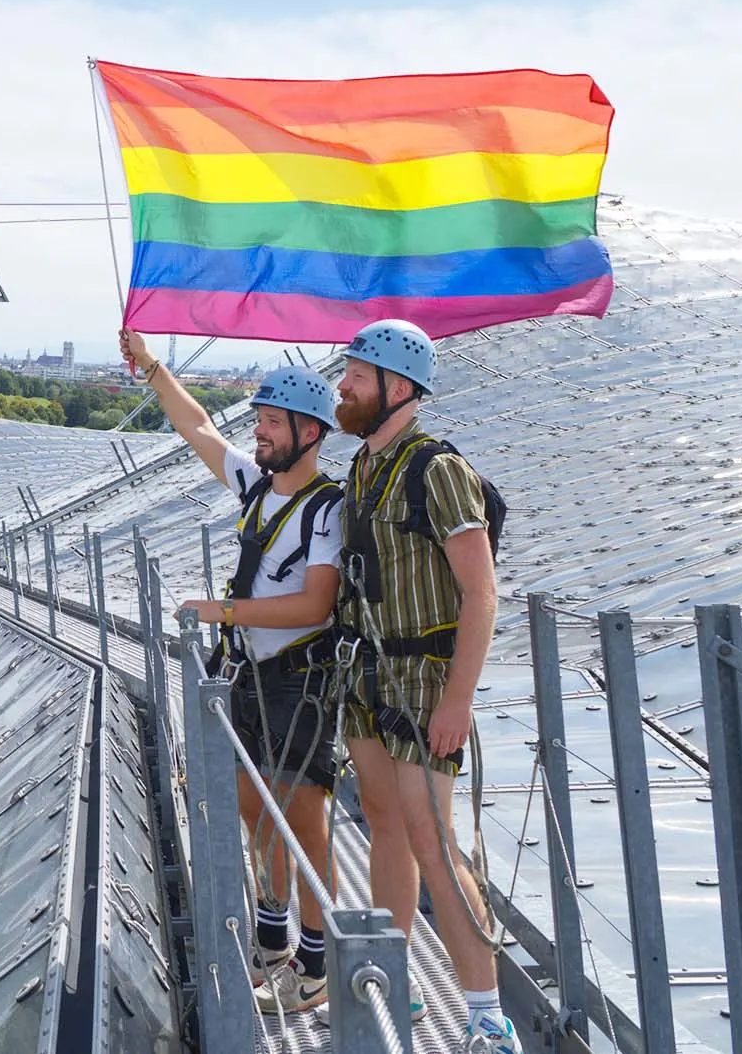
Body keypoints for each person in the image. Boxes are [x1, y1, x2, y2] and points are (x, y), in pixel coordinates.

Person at [118, 330, 342, 1015]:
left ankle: (318, 961)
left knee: (302, 817)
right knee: (253, 807)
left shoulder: (328, 509)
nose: (261, 432)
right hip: (250, 673)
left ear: (309, 432)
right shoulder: (259, 486)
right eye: (261, 421)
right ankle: (273, 939)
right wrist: (151, 366)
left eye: (273, 422)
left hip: (297, 680)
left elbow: (317, 602)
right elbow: (199, 428)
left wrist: (222, 610)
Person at [333, 318, 515, 1052]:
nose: (341, 387)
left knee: (434, 842)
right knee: (384, 823)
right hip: (369, 677)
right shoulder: (362, 468)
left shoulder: (435, 469)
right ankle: (395, 983)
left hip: (423, 680)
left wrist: (458, 700)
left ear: (396, 387)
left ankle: (486, 1019)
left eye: (355, 375)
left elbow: (482, 592)